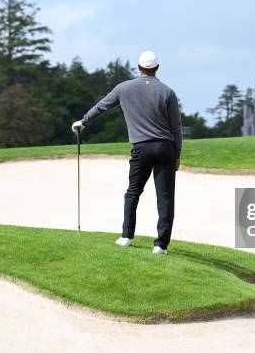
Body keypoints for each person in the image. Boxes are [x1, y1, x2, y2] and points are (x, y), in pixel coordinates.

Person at [72, 50, 182, 255]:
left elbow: (102, 106)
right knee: (165, 198)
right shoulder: (168, 92)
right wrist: (177, 154)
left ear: (138, 67)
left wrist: (83, 121)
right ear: (156, 68)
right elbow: (176, 127)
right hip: (165, 148)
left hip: (141, 148)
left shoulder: (123, 88)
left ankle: (126, 236)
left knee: (133, 192)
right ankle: (160, 246)